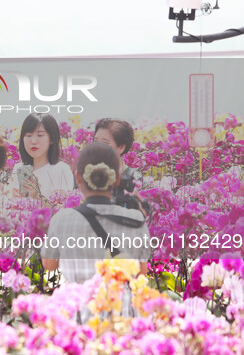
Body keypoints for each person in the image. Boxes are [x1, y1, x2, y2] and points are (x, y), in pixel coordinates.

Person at [41, 142, 151, 284]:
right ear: (117, 178)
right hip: (118, 303)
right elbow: (141, 272)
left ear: (78, 178)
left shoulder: (61, 219)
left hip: (76, 303)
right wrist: (141, 218)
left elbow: (49, 265)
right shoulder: (135, 219)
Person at [10, 113, 74, 201]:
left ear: (51, 139)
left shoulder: (61, 169)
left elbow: (61, 209)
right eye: (28, 135)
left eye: (40, 135)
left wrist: (38, 196)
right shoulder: (19, 168)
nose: (33, 141)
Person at [93, 118, 149, 213]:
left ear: (121, 147)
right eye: (95, 142)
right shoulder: (88, 174)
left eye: (104, 143)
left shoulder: (135, 178)